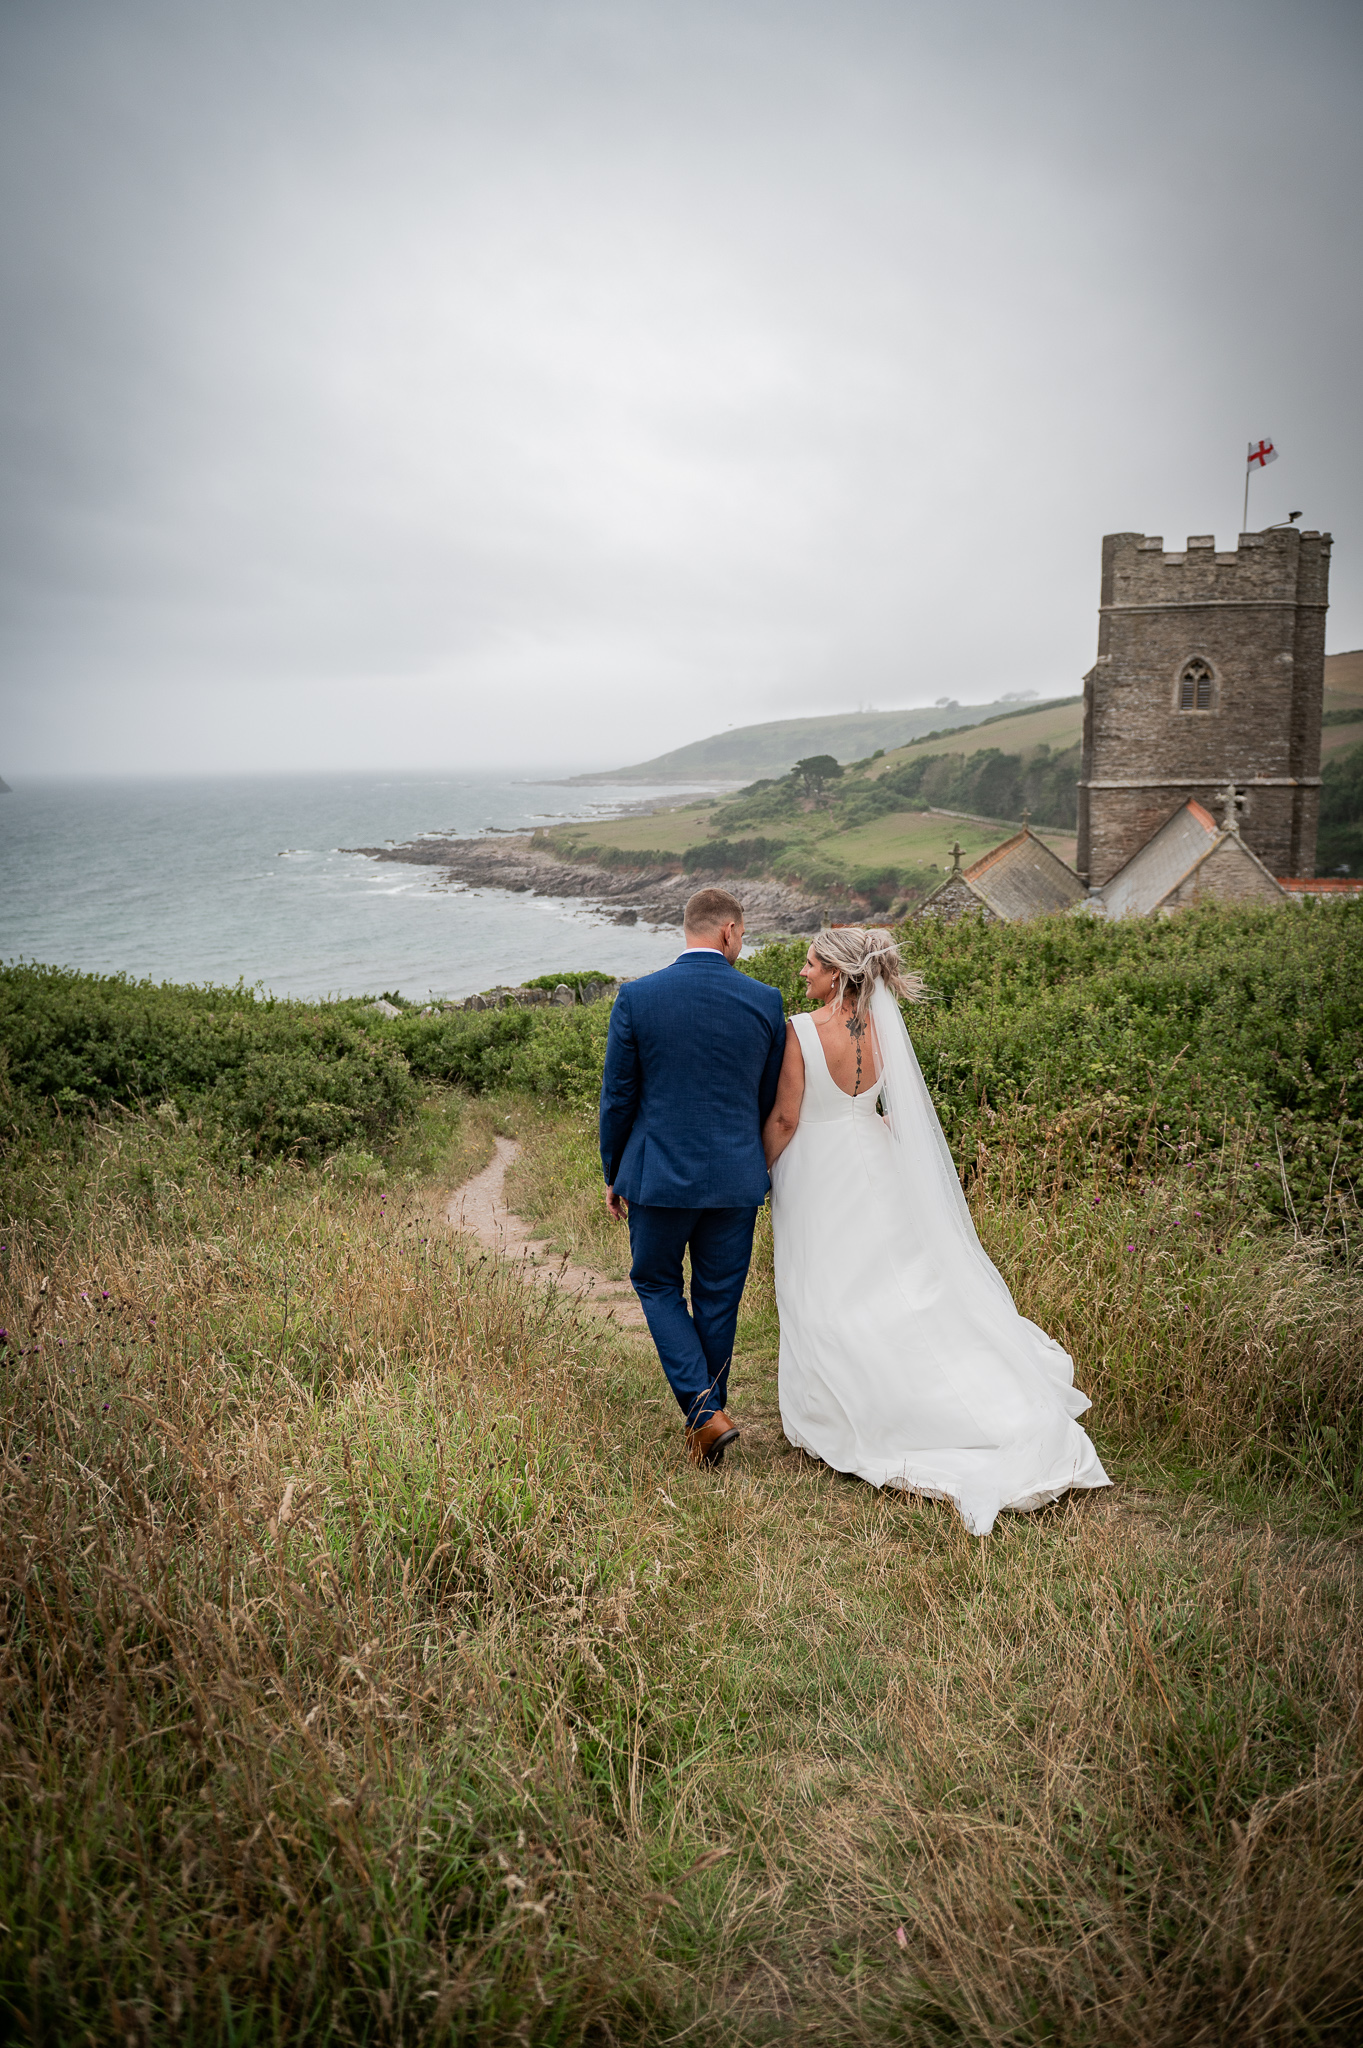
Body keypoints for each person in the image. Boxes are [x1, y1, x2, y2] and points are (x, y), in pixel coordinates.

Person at [761, 925, 1110, 1536]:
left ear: (837, 973)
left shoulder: (799, 1030)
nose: (803, 973)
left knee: (822, 1286)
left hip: (817, 1170)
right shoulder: (881, 1025)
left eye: (811, 964)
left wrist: (757, 1170)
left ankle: (844, 1411)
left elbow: (788, 1116)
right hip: (874, 1160)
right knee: (897, 1282)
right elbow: (892, 1108)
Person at [599, 887, 786, 1466]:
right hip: (735, 1176)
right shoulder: (765, 1001)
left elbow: (618, 1098)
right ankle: (710, 1424)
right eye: (744, 934)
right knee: (717, 1299)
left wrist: (614, 1171)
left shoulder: (637, 998)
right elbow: (766, 1098)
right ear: (728, 931)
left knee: (655, 1282)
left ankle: (705, 1416)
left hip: (657, 1176)